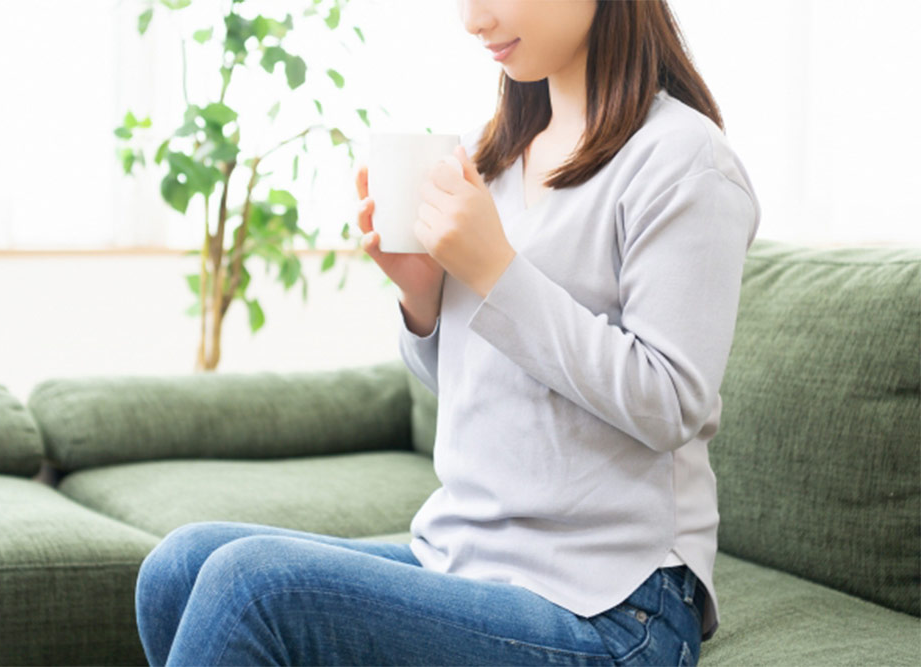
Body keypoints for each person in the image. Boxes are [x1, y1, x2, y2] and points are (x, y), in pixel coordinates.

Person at [134, 0, 760, 664]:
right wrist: (423, 298)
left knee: (250, 589)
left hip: (616, 604)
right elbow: (481, 390)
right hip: (465, 555)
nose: (473, 20)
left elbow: (669, 403)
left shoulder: (683, 160)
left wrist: (495, 270)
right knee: (177, 564)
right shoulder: (488, 154)